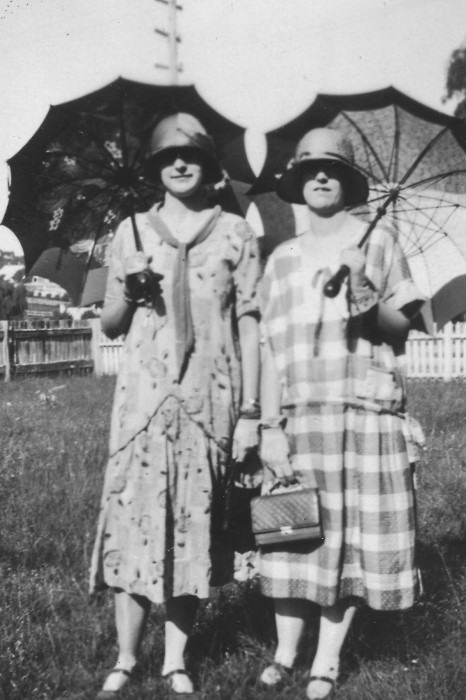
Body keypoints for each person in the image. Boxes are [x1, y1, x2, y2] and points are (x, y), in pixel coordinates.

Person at [89, 112, 261, 697]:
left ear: (208, 164)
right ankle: (127, 656)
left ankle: (177, 660)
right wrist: (130, 293)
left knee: (194, 526)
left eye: (190, 155)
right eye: (167, 157)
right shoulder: (130, 232)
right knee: (132, 525)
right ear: (155, 167)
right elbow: (110, 323)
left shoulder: (235, 232)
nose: (179, 164)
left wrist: (253, 414)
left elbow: (250, 328)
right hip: (142, 406)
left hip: (209, 406)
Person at [258, 127, 424, 700]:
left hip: (363, 411)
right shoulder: (280, 260)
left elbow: (402, 331)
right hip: (300, 415)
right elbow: (268, 349)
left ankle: (326, 660)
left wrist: (364, 285)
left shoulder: (377, 241)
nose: (321, 176)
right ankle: (284, 652)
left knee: (350, 537)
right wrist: (267, 425)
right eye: (311, 169)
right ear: (298, 182)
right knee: (291, 531)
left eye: (332, 169)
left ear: (349, 181)